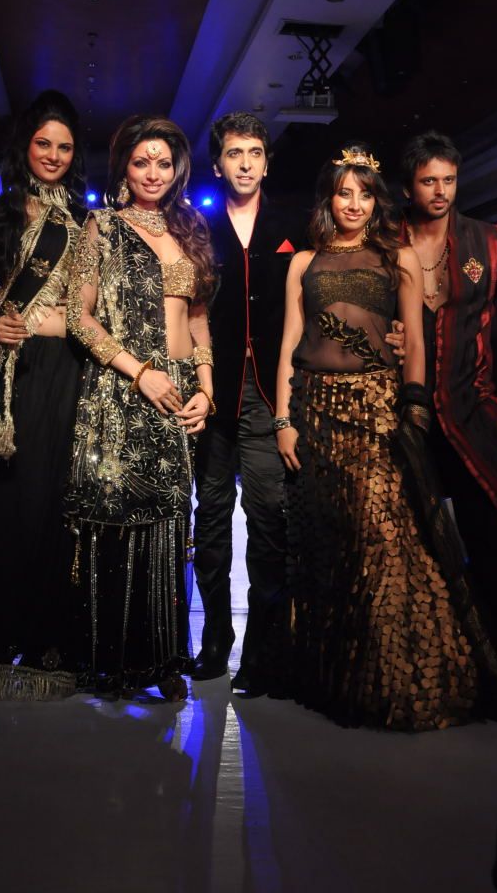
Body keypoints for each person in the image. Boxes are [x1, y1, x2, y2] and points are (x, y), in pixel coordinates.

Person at [275, 143, 497, 731]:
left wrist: (415, 404)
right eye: (343, 193)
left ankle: (399, 679)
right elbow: (289, 344)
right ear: (329, 199)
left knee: (384, 536)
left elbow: (416, 341)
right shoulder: (303, 262)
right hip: (315, 409)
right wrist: (284, 420)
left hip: (377, 408)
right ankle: (340, 678)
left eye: (364, 194)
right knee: (334, 542)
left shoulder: (396, 257)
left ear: (378, 201)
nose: (353, 204)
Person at [64, 115, 215, 702]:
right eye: (141, 162)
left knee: (171, 525)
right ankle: (108, 661)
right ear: (124, 168)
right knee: (117, 523)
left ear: (177, 169)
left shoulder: (190, 228)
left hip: (180, 393)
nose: (153, 173)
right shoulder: (101, 226)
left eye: (163, 163)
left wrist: (206, 389)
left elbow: (198, 320)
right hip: (122, 390)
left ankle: (163, 658)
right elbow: (79, 317)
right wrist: (140, 372)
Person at [400, 131, 497, 677]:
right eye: (428, 181)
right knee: (409, 551)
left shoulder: (489, 240)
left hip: (471, 419)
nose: (440, 191)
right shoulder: (387, 240)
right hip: (405, 417)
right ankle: (428, 674)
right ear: (409, 187)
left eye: (449, 180)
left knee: (488, 550)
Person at [0, 89, 86, 699]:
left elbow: (90, 310)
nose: (54, 155)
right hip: (16, 372)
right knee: (14, 501)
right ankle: (5, 644)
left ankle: (52, 646)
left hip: (69, 370)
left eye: (64, 147)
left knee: (59, 503)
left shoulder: (84, 222)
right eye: (44, 143)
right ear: (26, 146)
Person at [189, 112, 310, 695]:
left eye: (254, 153)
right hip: (212, 393)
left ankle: (264, 647)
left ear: (266, 162)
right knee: (211, 520)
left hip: (269, 393)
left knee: (268, 520)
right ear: (218, 164)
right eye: (234, 153)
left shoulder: (292, 224)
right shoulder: (196, 227)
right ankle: (216, 637)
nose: (244, 163)